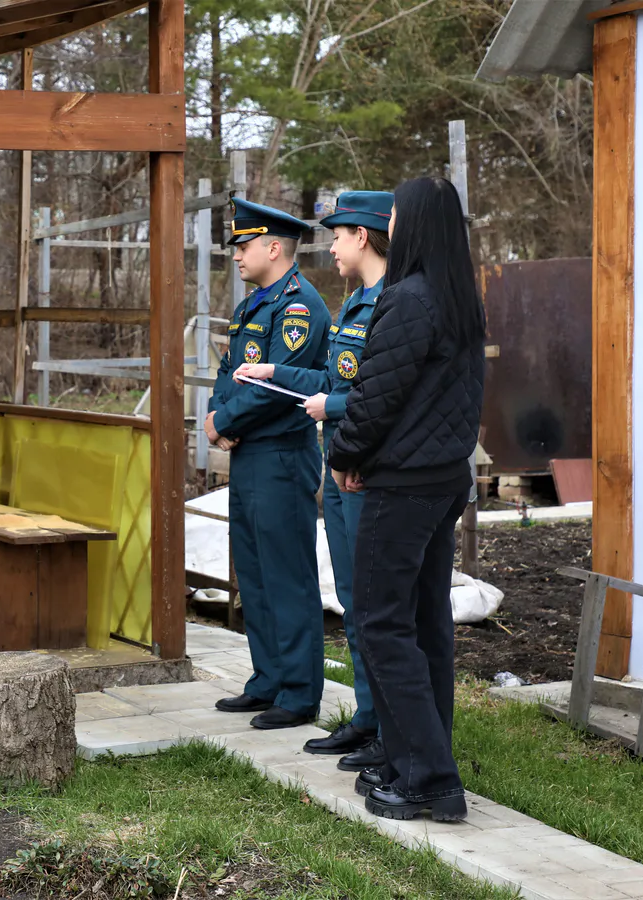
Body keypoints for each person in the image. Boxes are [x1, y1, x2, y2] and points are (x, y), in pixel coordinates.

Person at [327, 176, 485, 821]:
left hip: (404, 487)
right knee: (424, 628)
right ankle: (409, 761)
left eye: (395, 214)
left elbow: (374, 398)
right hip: (442, 482)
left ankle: (430, 781)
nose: (388, 222)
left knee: (382, 624)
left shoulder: (408, 300)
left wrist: (346, 457)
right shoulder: (456, 299)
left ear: (414, 223)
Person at [233, 191, 392, 771]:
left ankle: (376, 722)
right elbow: (330, 374)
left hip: (362, 469)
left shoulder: (381, 306)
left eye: (341, 233)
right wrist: (276, 371)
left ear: (365, 237)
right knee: (351, 601)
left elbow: (381, 394)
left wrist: (332, 404)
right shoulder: (354, 305)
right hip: (340, 462)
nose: (333, 243)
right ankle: (367, 717)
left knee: (369, 604)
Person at [207, 198, 332, 730]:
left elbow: (277, 388)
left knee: (287, 575)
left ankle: (299, 693)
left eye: (244, 245)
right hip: (251, 455)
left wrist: (225, 423)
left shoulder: (300, 307)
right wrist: (218, 414)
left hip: (283, 454)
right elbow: (229, 373)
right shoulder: (250, 306)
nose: (235, 255)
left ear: (273, 247)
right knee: (254, 572)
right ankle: (267, 680)